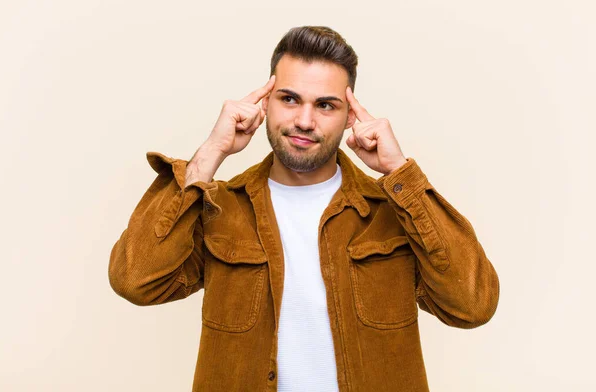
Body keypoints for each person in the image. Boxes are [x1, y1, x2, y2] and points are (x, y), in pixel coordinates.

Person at [108, 25, 500, 392]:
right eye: (290, 99)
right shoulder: (222, 208)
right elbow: (136, 282)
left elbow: (473, 305)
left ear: (350, 118)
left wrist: (400, 173)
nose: (304, 121)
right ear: (265, 103)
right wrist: (210, 154)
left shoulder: (393, 211)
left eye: (326, 105)